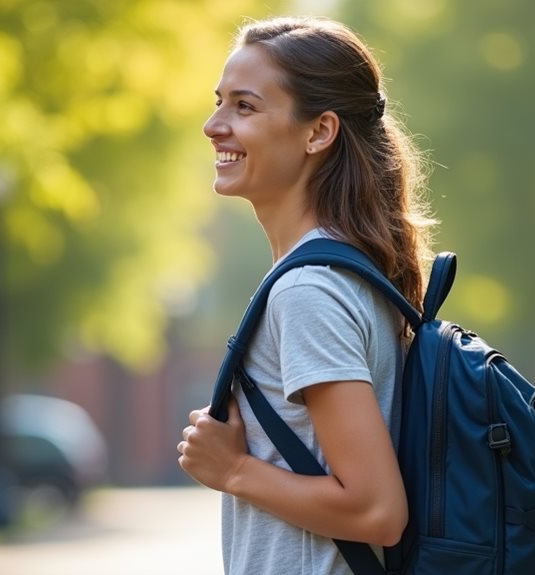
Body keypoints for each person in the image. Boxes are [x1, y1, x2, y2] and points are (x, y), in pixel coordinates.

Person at [177, 16, 436, 574]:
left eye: (244, 107)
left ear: (319, 132)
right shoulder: (342, 271)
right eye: (220, 102)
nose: (213, 125)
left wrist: (234, 471)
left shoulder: (309, 289)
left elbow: (376, 509)